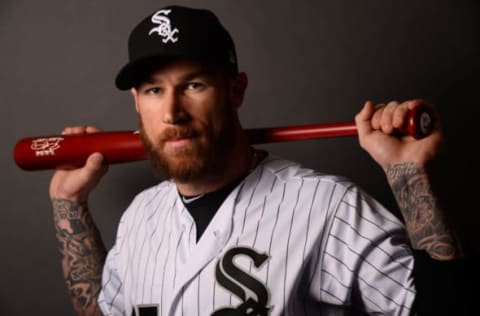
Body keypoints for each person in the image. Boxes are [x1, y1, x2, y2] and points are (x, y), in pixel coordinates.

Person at [49, 5, 466, 316]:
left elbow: (447, 307)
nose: (172, 112)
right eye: (154, 91)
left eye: (193, 84)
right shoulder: (139, 215)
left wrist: (408, 175)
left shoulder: (326, 206)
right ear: (137, 103)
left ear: (235, 91)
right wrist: (69, 203)